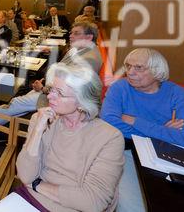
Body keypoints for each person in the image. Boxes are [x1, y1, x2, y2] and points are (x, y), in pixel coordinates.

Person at [15, 63, 124, 212]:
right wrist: (38, 130)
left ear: (82, 101)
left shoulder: (110, 138)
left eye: (59, 92)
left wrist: (37, 185)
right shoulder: (40, 119)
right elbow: (26, 175)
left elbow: (93, 202)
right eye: (51, 89)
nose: (49, 96)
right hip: (29, 198)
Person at [100, 48, 184, 212]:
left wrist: (135, 121)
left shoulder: (178, 95)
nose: (130, 72)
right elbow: (108, 123)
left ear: (157, 71)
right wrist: (163, 131)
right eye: (128, 66)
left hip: (164, 157)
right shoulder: (120, 88)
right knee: (132, 206)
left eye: (138, 67)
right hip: (124, 149)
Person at [0, 21, 103, 125]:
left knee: (17, 102)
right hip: (51, 89)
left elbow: (71, 92)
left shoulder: (89, 59)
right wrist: (45, 84)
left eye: (76, 33)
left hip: (58, 99)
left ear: (89, 37)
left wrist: (43, 89)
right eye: (71, 33)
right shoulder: (78, 49)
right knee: (18, 103)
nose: (71, 36)